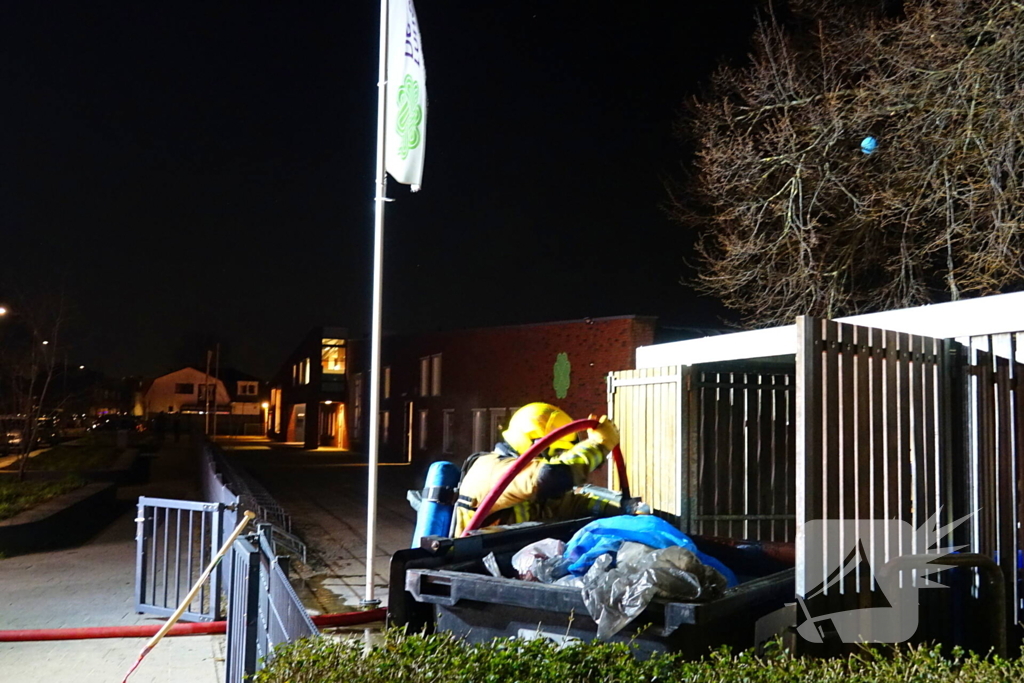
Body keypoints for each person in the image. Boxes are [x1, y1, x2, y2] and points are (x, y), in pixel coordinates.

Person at [453, 402, 620, 537]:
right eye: (557, 452)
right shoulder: (491, 469)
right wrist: (598, 445)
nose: (557, 459)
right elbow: (552, 476)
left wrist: (620, 509)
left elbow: (565, 505)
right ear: (534, 445)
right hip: (478, 564)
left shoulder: (525, 478)